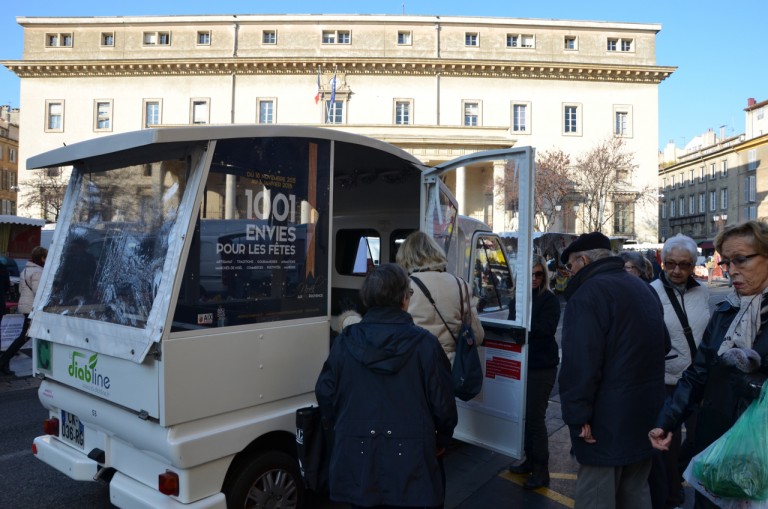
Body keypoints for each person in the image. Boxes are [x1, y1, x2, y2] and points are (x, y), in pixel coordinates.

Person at [315, 263, 458, 509]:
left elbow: (325, 394)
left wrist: (345, 428)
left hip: (356, 464)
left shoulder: (344, 343)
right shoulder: (426, 346)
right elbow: (444, 407)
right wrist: (441, 440)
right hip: (412, 466)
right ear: (404, 299)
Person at [649, 221, 768, 509]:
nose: (730, 269)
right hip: (717, 445)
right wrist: (667, 421)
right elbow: (699, 372)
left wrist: (751, 381)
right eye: (726, 262)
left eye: (740, 259)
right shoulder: (727, 312)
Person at [559, 232, 667, 509]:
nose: (569, 273)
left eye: (570, 266)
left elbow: (580, 363)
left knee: (597, 495)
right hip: (644, 412)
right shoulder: (643, 288)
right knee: (635, 492)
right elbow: (663, 344)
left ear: (583, 261)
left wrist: (578, 414)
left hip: (604, 420)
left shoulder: (588, 294)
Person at [649, 234, 710, 509]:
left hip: (698, 384)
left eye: (683, 265)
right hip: (665, 383)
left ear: (693, 265)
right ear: (663, 262)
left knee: (702, 442)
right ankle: (671, 496)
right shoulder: (650, 292)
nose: (676, 270)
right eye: (671, 263)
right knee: (666, 447)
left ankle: (694, 488)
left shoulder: (704, 293)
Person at [507, 254, 561, 490]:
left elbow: (546, 329)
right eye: (531, 274)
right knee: (526, 417)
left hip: (542, 366)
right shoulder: (516, 300)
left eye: (539, 274)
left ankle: (541, 470)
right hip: (522, 363)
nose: (535, 278)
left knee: (536, 418)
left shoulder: (549, 299)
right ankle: (530, 460)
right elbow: (512, 327)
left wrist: (523, 329)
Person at [396, 231, 484, 363]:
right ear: (436, 253)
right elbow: (477, 336)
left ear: (405, 257)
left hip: (413, 365)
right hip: (450, 368)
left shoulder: (402, 287)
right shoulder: (461, 286)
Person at [0, 248, 46, 375]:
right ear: (42, 258)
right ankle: (3, 360)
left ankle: (4, 361)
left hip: (26, 306)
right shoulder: (38, 272)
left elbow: (21, 290)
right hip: (33, 308)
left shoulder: (26, 270)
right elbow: (39, 292)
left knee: (26, 336)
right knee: (24, 337)